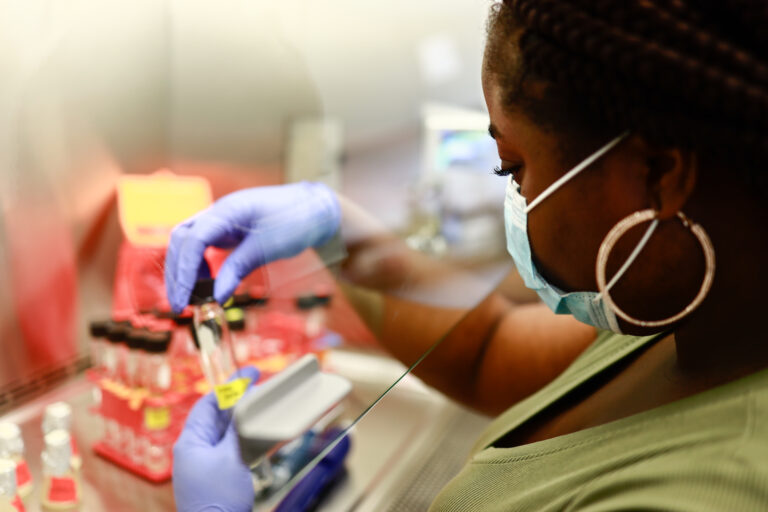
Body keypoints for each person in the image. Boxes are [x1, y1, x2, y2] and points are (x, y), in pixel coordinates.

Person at [168, 1, 768, 510]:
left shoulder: (715, 487)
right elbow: (490, 349)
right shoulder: (673, 308)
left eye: (516, 166)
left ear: (659, 173)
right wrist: (336, 230)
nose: (518, 198)